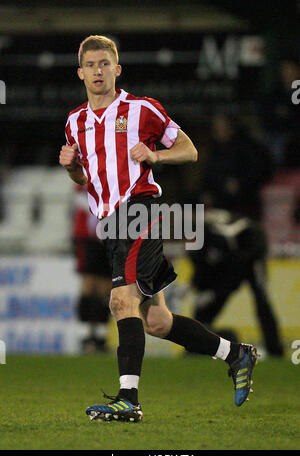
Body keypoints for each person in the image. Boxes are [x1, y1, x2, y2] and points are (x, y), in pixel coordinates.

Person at [59, 35, 258, 423]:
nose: (98, 71)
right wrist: (71, 168)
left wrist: (155, 154)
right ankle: (236, 354)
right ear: (80, 72)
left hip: (140, 210)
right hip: (109, 223)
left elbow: (189, 149)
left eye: (105, 64)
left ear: (117, 69)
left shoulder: (142, 109)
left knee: (120, 302)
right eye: (91, 65)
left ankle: (128, 400)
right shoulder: (75, 122)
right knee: (157, 322)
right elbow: (85, 179)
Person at [188, 209, 284, 357]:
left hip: (251, 250)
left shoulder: (210, 237)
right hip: (233, 256)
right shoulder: (204, 240)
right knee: (211, 302)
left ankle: (275, 348)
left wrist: (208, 290)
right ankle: (195, 345)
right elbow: (209, 270)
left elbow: (214, 270)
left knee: (261, 300)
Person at [202, 113, 273, 221]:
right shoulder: (215, 150)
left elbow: (259, 172)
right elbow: (209, 175)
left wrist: (240, 183)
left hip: (244, 203)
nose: (217, 130)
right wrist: (206, 192)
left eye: (221, 127)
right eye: (215, 127)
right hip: (219, 203)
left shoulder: (248, 148)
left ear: (231, 128)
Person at [72, 184, 111, 353]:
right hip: (89, 238)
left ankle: (100, 338)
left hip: (110, 237)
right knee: (88, 285)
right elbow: (79, 197)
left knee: (106, 289)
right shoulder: (89, 170)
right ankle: (84, 336)